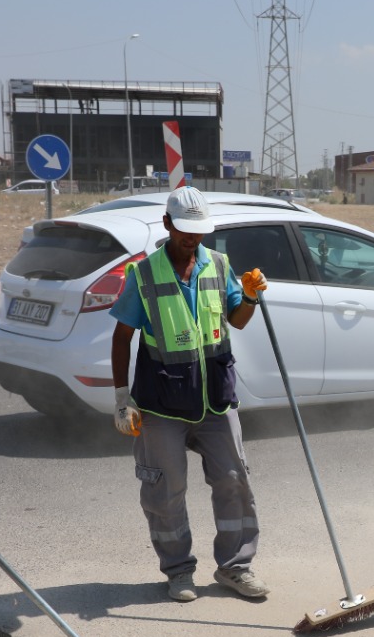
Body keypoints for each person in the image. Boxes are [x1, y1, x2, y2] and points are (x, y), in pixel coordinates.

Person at [110, 186, 270, 603]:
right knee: (166, 489)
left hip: (216, 400)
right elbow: (121, 335)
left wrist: (250, 296)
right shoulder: (143, 276)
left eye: (198, 231)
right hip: (162, 404)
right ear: (167, 225)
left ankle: (235, 567)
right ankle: (179, 571)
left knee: (234, 481)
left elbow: (238, 320)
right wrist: (121, 396)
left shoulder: (219, 265)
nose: (191, 238)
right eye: (184, 230)